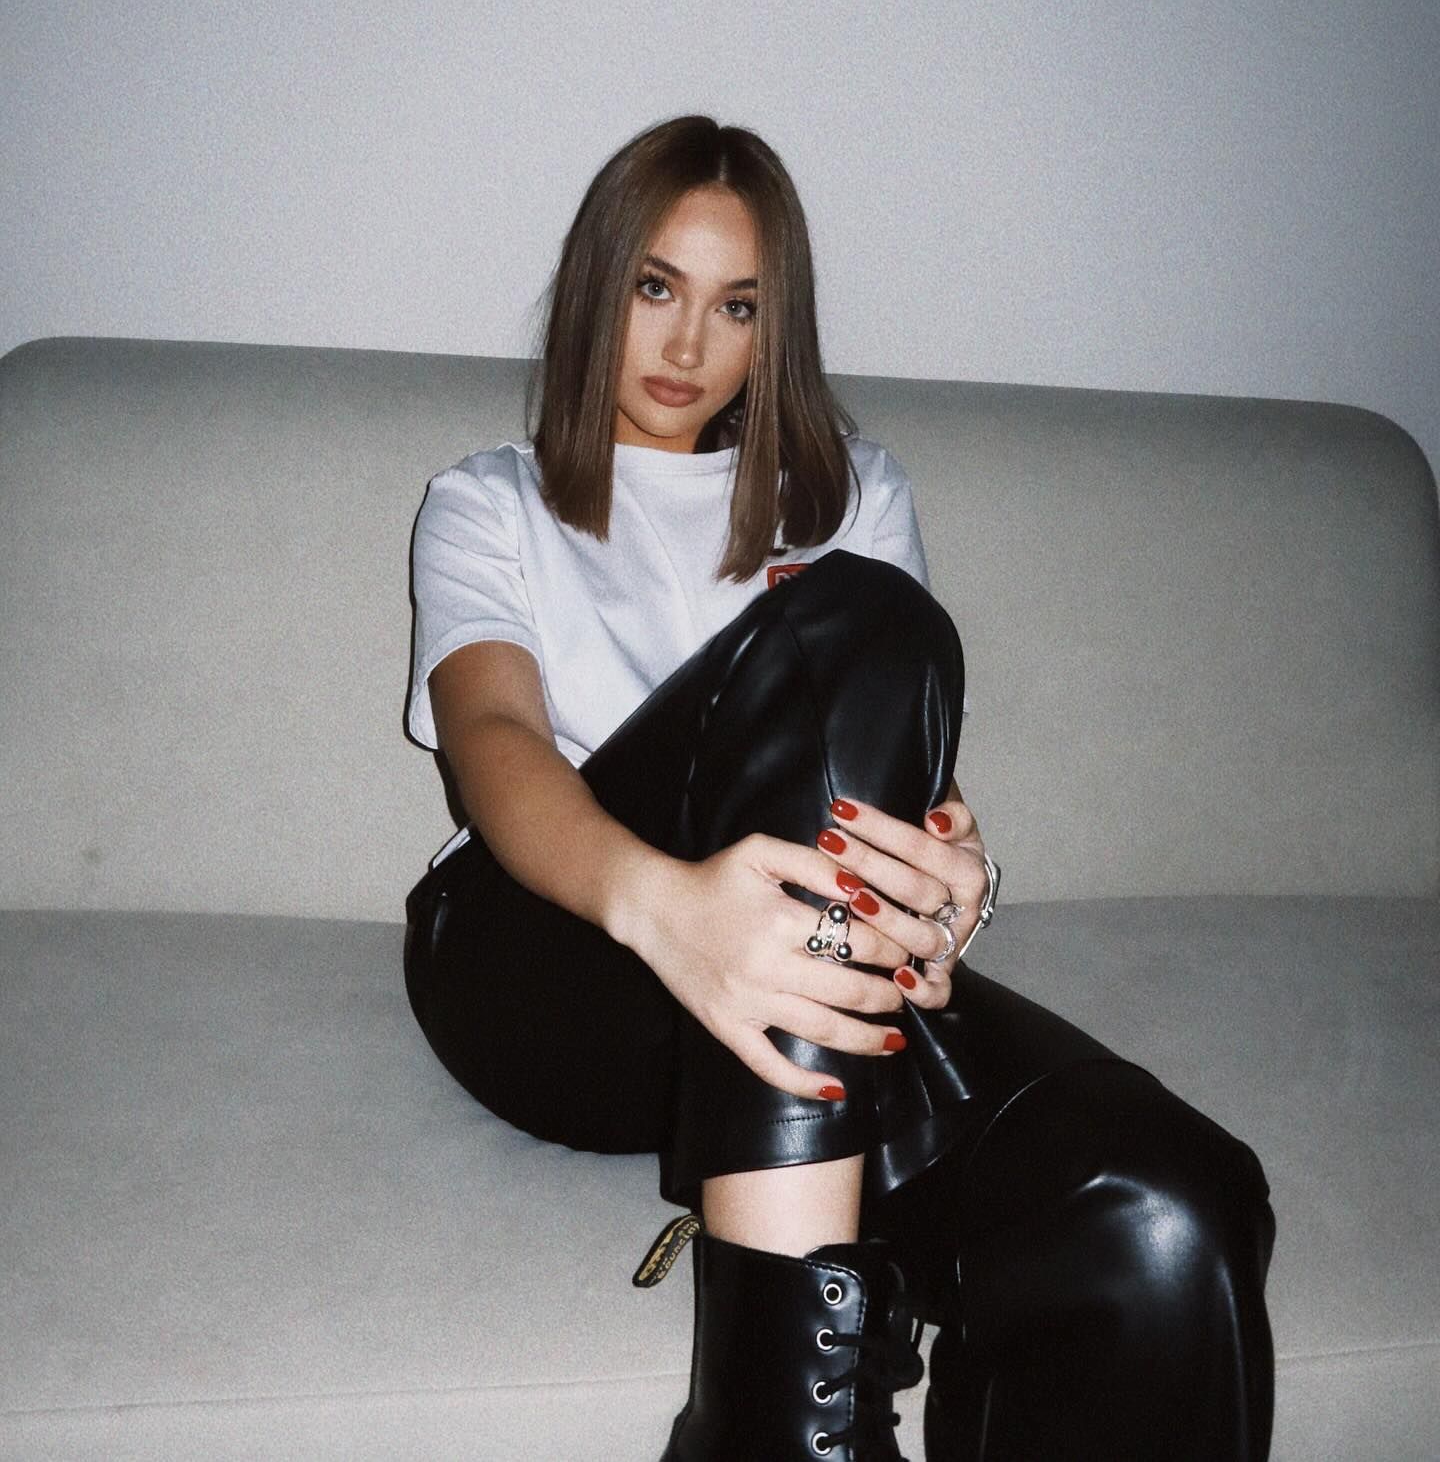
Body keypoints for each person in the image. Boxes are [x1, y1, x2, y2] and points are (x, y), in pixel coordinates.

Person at [402, 116, 1276, 1460]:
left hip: (790, 974)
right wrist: (667, 906)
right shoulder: (490, 503)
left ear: (775, 329)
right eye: (655, 288)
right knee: (849, 617)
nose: (688, 345)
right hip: (551, 955)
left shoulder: (855, 493)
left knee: (1165, 1210)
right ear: (595, 291)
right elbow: (496, 742)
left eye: (737, 307)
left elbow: (885, 771)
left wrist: (944, 877)